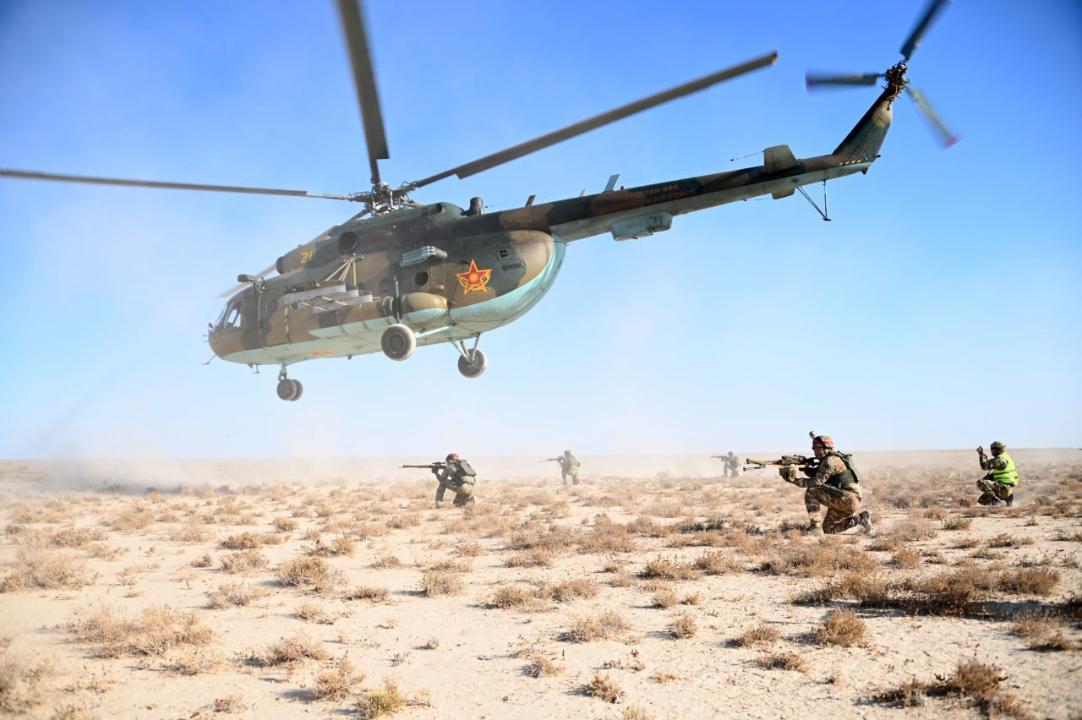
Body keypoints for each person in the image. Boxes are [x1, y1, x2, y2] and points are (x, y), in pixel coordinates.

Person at [779, 434, 871, 534]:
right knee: (828, 529)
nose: (815, 452)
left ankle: (815, 527)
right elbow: (819, 474)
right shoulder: (834, 458)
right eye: (814, 449)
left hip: (846, 499)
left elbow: (816, 482)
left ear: (826, 448)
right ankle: (860, 518)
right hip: (849, 500)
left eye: (817, 449)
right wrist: (805, 468)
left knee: (812, 491)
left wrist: (794, 480)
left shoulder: (830, 461)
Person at [976, 441, 1019, 506]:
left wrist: (981, 455)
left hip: (1004, 488)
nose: (991, 451)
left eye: (992, 449)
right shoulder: (1005, 456)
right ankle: (1008, 499)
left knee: (980, 483)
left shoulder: (1000, 460)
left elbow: (984, 466)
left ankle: (997, 501)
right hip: (1007, 487)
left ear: (996, 450)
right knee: (982, 501)